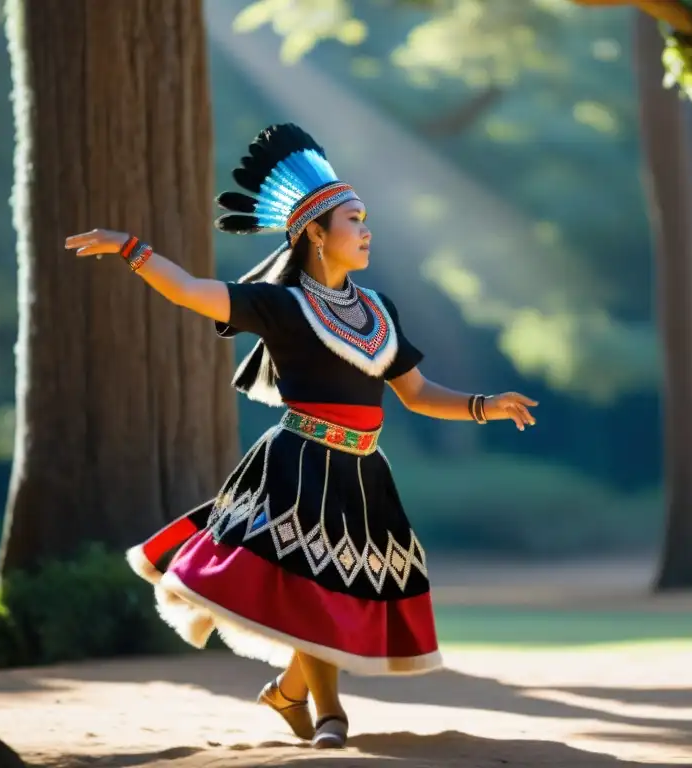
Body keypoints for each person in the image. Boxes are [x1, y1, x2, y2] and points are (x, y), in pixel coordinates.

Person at [64, 123, 538, 750]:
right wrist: (131, 249)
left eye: (367, 219)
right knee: (317, 589)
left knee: (350, 592)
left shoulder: (379, 310)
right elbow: (190, 291)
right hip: (297, 464)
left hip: (364, 473)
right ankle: (330, 715)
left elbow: (418, 395)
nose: (366, 230)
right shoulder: (278, 305)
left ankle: (289, 692)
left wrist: (485, 405)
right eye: (353, 220)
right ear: (316, 233)